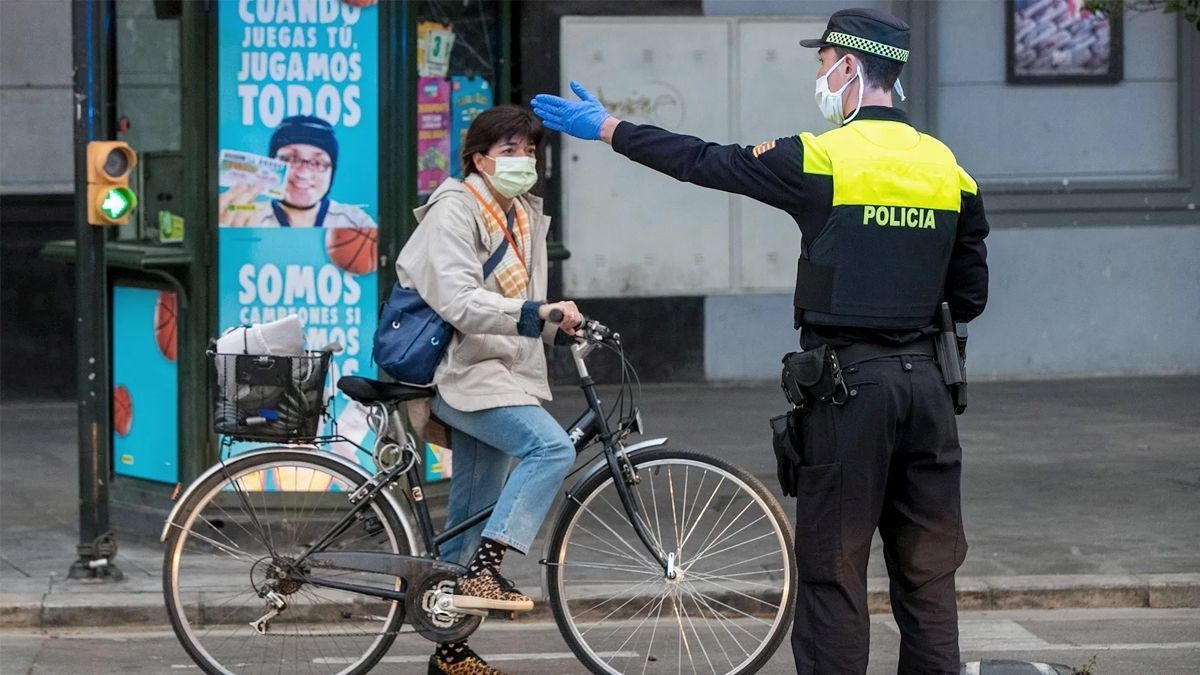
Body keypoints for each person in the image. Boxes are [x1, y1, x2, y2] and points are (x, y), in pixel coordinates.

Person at [532, 8, 989, 675]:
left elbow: (702, 161)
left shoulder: (822, 157)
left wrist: (609, 128)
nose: (820, 76)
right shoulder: (950, 169)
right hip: (929, 392)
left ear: (851, 68)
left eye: (823, 63)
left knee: (833, 567)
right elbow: (970, 296)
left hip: (851, 390)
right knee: (928, 571)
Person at [395, 105, 583, 675]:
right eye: (509, 152)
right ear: (479, 159)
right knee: (551, 449)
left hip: (496, 371)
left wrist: (557, 322)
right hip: (458, 372)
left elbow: (523, 303)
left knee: (473, 511)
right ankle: (486, 569)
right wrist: (535, 314)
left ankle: (449, 651)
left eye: (528, 151)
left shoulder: (521, 212)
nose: (522, 161)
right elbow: (460, 301)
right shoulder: (453, 212)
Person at [219, 115, 377, 228]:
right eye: (290, 159)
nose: (303, 173)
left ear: (332, 171)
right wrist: (223, 231)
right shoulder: (246, 214)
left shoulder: (356, 221)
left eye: (317, 162)